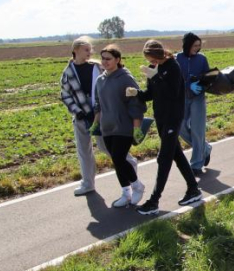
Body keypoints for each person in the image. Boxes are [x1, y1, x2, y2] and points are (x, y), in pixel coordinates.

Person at [127, 40, 203, 215]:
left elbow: (172, 93)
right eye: (149, 60)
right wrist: (136, 93)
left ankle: (154, 201)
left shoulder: (173, 66)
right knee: (176, 154)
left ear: (159, 54)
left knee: (164, 158)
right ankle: (193, 189)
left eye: (153, 59)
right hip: (161, 118)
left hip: (173, 118)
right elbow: (151, 94)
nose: (152, 62)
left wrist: (156, 77)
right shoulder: (153, 68)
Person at [60, 36, 137, 196]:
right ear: (76, 50)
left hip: (101, 113)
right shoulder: (68, 72)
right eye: (86, 50)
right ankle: (87, 184)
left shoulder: (97, 67)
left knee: (106, 147)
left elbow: (115, 79)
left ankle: (130, 165)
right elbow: (65, 95)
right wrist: (77, 111)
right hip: (81, 116)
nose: (89, 53)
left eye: (90, 50)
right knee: (84, 151)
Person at [90, 45, 147, 208]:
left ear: (117, 60)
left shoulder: (125, 79)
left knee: (119, 158)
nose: (105, 62)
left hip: (124, 126)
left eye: (108, 59)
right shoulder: (100, 80)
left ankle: (137, 186)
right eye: (103, 58)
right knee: (116, 161)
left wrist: (137, 127)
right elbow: (98, 104)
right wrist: (96, 123)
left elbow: (136, 103)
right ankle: (126, 192)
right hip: (107, 127)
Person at [177, 32, 212, 176]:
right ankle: (205, 149)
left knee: (198, 130)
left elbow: (208, 77)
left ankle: (196, 164)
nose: (197, 48)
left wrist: (201, 84)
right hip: (182, 97)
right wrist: (188, 84)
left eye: (199, 46)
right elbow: (175, 79)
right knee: (180, 126)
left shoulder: (202, 59)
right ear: (187, 45)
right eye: (194, 45)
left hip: (198, 97)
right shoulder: (177, 58)